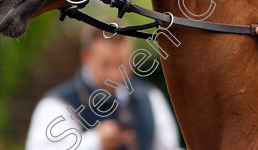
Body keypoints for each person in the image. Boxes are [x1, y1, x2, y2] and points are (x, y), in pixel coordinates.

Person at [25, 26, 182, 150]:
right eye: (106, 64)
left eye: (121, 64)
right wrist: (95, 142)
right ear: (86, 57)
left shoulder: (151, 96)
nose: (114, 74)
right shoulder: (56, 104)